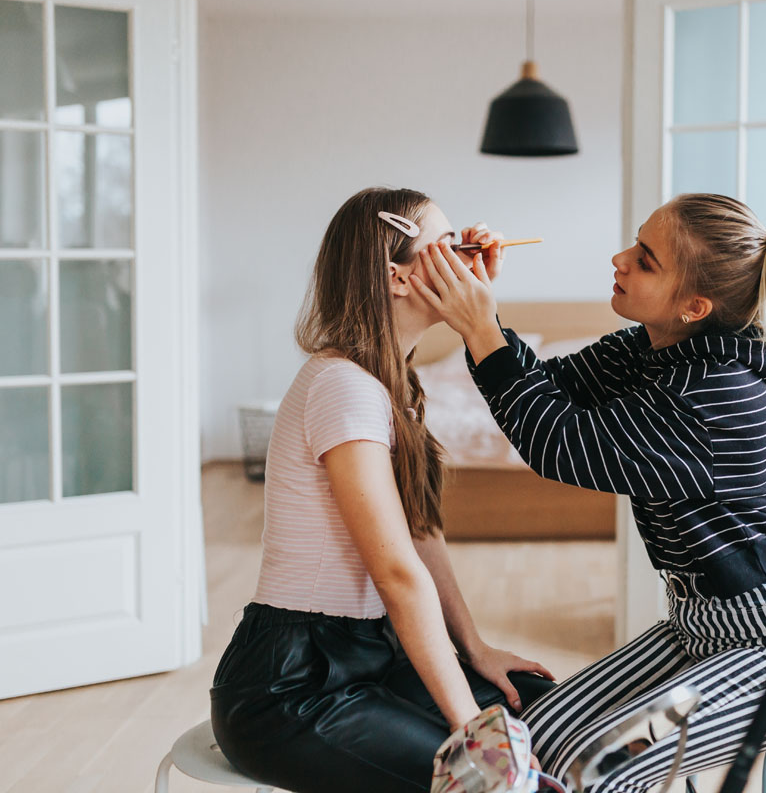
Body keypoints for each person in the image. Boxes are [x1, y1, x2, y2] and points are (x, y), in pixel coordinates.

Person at [410, 193, 766, 792]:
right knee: (539, 737)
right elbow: (544, 386)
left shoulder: (714, 394)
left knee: (601, 769)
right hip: (699, 631)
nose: (618, 259)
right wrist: (483, 310)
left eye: (644, 260)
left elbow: (558, 443)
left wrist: (481, 326)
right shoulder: (650, 349)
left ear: (695, 305)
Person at [210, 187, 555, 793]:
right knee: (486, 781)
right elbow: (397, 573)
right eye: (448, 248)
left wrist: (474, 648)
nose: (465, 258)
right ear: (397, 278)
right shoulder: (343, 386)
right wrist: (473, 730)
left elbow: (421, 533)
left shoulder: (393, 384)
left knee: (540, 707)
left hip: (375, 653)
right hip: (294, 685)